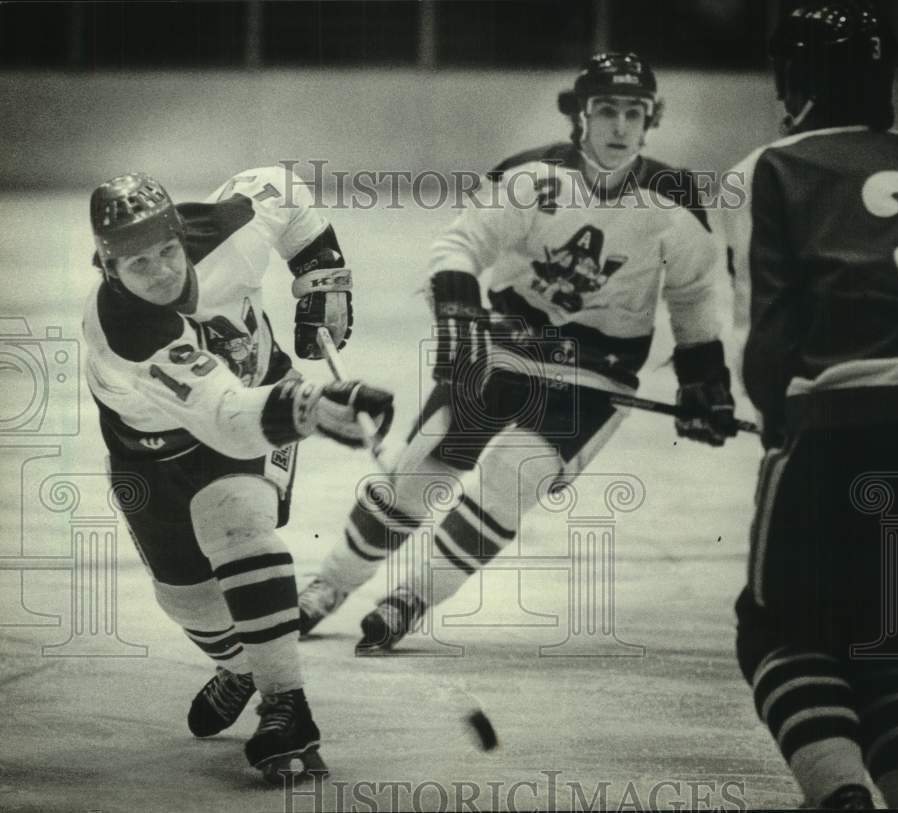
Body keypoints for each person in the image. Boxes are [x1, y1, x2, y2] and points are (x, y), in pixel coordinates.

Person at [297, 52, 738, 650]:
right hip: (507, 346)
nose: (619, 127)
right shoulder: (532, 177)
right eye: (606, 110)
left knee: (511, 478)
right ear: (579, 114)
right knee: (418, 471)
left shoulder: (673, 203)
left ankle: (412, 598)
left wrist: (704, 381)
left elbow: (692, 297)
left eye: (634, 113)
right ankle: (328, 587)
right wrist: (457, 313)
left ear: (649, 119)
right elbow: (460, 245)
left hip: (597, 371)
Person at [711, 3, 898, 808]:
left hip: (847, 427)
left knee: (781, 627)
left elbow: (765, 337)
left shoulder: (775, 166)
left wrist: (779, 422)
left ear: (791, 77)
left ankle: (839, 794)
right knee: (875, 635)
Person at [83, 168, 394, 782]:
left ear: (181, 233)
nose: (164, 272)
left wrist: (321, 276)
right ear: (108, 269)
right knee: (186, 598)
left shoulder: (229, 225)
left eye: (169, 251)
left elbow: (282, 185)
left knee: (236, 522)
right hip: (154, 452)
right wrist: (314, 410)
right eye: (140, 265)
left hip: (260, 397)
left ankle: (285, 704)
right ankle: (242, 667)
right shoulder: (123, 332)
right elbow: (224, 417)